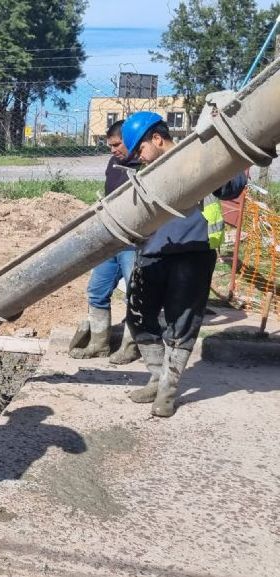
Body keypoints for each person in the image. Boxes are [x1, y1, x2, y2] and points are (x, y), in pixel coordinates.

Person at [121, 112, 243, 417]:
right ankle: (154, 376)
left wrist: (215, 168)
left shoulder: (199, 155)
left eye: (140, 151)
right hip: (152, 250)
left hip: (193, 250)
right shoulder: (148, 171)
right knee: (138, 317)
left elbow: (235, 183)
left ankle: (168, 390)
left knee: (182, 321)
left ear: (158, 139)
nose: (139, 158)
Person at [69, 120, 141, 364]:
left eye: (117, 144)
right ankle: (99, 344)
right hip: (110, 241)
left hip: (135, 243)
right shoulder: (114, 163)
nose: (112, 150)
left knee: (136, 294)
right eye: (110, 145)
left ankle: (131, 346)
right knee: (97, 291)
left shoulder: (147, 166)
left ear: (131, 140)